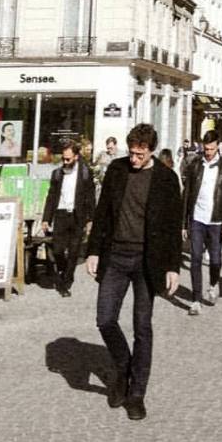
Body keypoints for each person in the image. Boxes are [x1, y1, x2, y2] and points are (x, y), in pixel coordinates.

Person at [86, 122, 182, 421]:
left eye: (140, 154)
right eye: (132, 152)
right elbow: (103, 213)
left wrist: (173, 267)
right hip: (115, 257)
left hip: (146, 262)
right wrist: (93, 251)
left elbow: (171, 227)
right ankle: (124, 367)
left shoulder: (166, 179)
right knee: (105, 319)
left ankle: (137, 393)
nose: (134, 158)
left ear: (151, 151)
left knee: (142, 326)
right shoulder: (117, 170)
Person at [182, 130, 222, 315]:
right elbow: (187, 194)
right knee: (195, 258)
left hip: (216, 220)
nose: (208, 152)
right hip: (197, 218)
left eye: (211, 149)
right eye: (206, 149)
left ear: (218, 146)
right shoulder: (194, 164)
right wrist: (184, 224)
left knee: (215, 260)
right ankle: (196, 300)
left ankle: (214, 283)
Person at [41, 141, 96, 296]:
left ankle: (66, 282)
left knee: (73, 251)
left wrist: (91, 219)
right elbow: (51, 197)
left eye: (68, 159)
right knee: (57, 250)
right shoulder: (57, 174)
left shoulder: (85, 173)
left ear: (76, 157)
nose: (65, 162)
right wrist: (46, 218)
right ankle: (64, 269)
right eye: (63, 159)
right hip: (61, 214)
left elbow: (90, 197)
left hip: (77, 216)